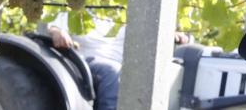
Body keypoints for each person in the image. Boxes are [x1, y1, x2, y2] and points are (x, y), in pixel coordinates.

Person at [46, 24, 191, 110]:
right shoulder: (77, 7)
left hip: (124, 67)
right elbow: (52, 27)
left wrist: (173, 35)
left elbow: (150, 30)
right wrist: (58, 32)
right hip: (83, 62)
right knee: (111, 71)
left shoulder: (129, 12)